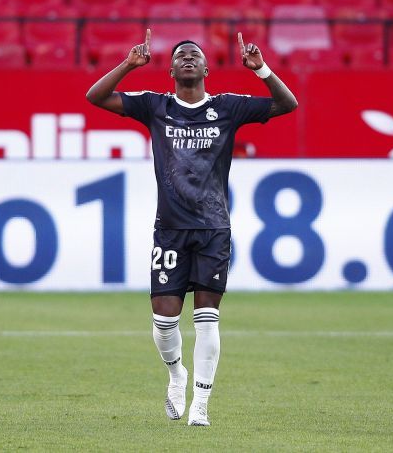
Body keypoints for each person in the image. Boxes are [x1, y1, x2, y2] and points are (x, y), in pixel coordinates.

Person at [85, 29, 298, 426]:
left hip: (214, 229)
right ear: (169, 70)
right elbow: (94, 97)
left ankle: (201, 403)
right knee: (164, 321)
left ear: (205, 69)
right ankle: (175, 374)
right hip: (170, 229)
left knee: (206, 318)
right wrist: (129, 65)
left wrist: (262, 69)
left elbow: (288, 104)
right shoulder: (155, 106)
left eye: (194, 55)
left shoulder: (229, 108)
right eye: (180, 55)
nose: (187, 58)